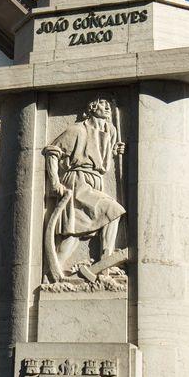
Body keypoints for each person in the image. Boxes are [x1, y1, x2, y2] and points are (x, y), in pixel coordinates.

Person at [43, 97, 125, 276]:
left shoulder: (109, 131)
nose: (107, 107)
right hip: (78, 182)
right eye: (103, 103)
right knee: (113, 211)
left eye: (109, 105)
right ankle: (105, 262)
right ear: (93, 106)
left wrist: (113, 152)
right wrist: (55, 182)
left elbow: (100, 161)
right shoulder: (77, 129)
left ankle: (56, 269)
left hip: (95, 181)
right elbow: (52, 152)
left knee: (75, 231)